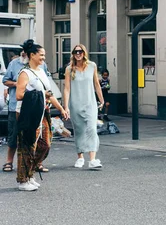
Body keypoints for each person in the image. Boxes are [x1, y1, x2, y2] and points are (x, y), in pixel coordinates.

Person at [15, 40, 68, 191]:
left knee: (45, 144)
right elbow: (19, 95)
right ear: (32, 55)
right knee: (27, 146)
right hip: (28, 113)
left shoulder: (41, 71)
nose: (44, 58)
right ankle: (23, 180)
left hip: (43, 111)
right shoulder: (25, 73)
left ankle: (30, 173)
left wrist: (62, 108)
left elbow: (49, 94)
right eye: (41, 55)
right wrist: (40, 94)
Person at [3, 48, 51, 174]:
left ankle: (34, 166)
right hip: (19, 108)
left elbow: (47, 89)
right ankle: (12, 164)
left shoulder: (41, 68)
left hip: (39, 108)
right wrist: (19, 84)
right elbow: (9, 83)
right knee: (17, 138)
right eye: (23, 50)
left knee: (41, 141)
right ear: (32, 55)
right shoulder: (17, 66)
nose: (23, 53)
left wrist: (60, 107)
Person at [62, 44, 104, 170]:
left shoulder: (92, 66)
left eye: (80, 51)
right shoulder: (69, 69)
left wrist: (101, 99)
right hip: (75, 104)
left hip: (90, 103)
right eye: (75, 52)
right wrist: (66, 106)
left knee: (91, 129)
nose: (78, 54)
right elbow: (67, 89)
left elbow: (96, 84)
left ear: (84, 53)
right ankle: (80, 157)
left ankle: (92, 159)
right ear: (73, 54)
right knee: (79, 131)